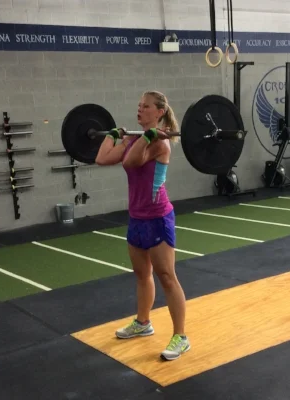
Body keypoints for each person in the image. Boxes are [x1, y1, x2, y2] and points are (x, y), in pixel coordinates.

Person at [95, 90, 190, 361]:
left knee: (167, 276)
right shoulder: (138, 138)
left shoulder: (161, 143)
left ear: (159, 112)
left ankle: (181, 337)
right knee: (141, 274)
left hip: (158, 217)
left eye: (146, 106)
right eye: (139, 105)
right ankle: (143, 322)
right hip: (137, 217)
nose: (140, 109)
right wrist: (113, 135)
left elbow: (131, 161)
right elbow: (102, 158)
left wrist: (145, 137)